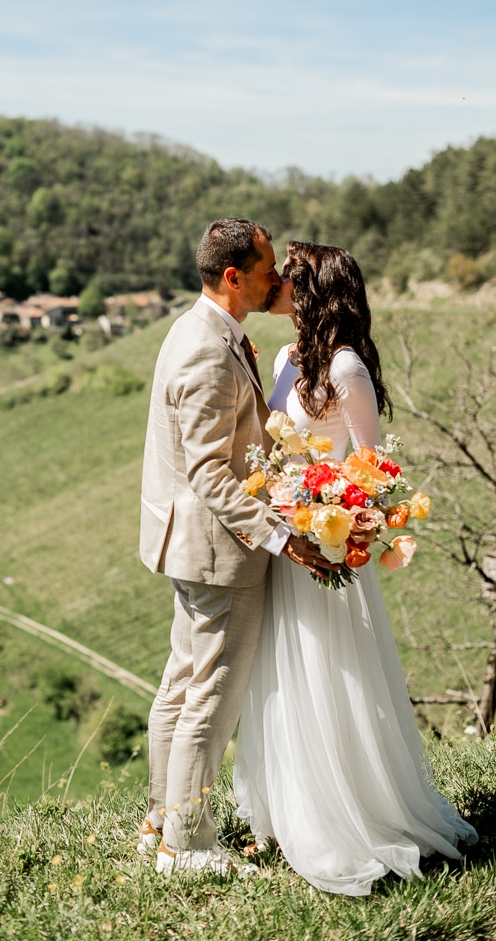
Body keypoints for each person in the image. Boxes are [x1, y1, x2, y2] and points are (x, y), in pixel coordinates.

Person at [233, 240, 478, 895]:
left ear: (312, 290)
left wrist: (330, 513)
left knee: (332, 676)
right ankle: (293, 808)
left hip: (331, 546)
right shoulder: (286, 357)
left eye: (290, 275)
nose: (277, 282)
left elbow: (371, 472)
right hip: (289, 539)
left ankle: (354, 816)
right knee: (286, 673)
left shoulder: (345, 369)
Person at [138, 219, 332, 876]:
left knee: (179, 685)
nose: (276, 281)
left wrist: (282, 302)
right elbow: (209, 472)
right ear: (232, 276)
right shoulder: (205, 347)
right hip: (218, 551)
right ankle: (184, 846)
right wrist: (281, 538)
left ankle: (160, 820)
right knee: (209, 699)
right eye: (265, 272)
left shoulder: (204, 328)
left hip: (189, 544)